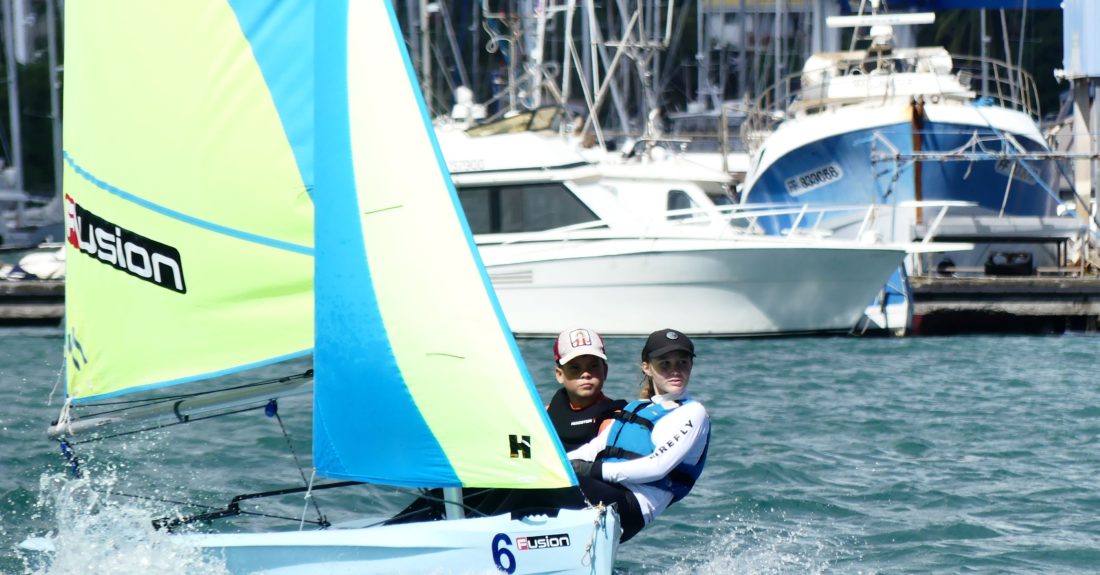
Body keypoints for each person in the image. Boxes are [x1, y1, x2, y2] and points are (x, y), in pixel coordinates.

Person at [566, 328, 711, 543]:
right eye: (665, 364)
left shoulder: (692, 413)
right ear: (647, 367)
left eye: (682, 362)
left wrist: (592, 470)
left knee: (553, 486)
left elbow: (657, 467)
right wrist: (554, 462)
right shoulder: (636, 407)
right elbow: (594, 448)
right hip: (604, 491)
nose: (675, 371)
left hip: (631, 506)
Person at [546, 328, 627, 450]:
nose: (585, 374)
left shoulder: (617, 420)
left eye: (593, 366)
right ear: (559, 375)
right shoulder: (543, 416)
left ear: (605, 371)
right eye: (575, 368)